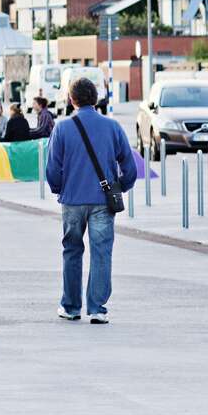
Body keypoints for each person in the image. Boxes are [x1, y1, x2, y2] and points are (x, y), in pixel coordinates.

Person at [46, 77, 138, 324]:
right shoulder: (113, 127)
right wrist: (120, 187)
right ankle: (97, 308)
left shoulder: (62, 128)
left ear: (71, 99)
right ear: (95, 99)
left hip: (72, 200)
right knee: (101, 253)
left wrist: (60, 188)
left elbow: (52, 169)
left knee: (72, 250)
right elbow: (130, 168)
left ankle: (71, 306)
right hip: (102, 201)